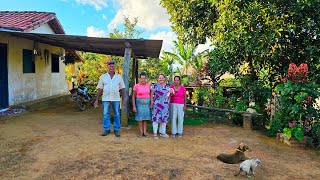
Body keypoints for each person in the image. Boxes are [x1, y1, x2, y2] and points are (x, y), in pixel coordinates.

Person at [94, 60, 125, 137]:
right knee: (105, 114)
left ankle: (116, 130)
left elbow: (122, 89)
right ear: (107, 67)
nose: (111, 67)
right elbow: (100, 89)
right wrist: (97, 99)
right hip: (105, 98)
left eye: (113, 66)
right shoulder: (103, 77)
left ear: (114, 67)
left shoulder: (119, 77)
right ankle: (107, 129)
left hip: (116, 99)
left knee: (117, 114)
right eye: (110, 66)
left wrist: (123, 99)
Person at [150, 74, 174, 139]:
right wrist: (152, 103)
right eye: (159, 78)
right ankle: (155, 134)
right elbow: (151, 95)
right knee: (156, 119)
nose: (161, 79)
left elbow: (170, 95)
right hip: (156, 105)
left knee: (164, 119)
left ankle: (162, 132)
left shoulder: (168, 87)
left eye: (162, 78)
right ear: (158, 79)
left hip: (165, 105)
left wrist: (171, 92)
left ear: (164, 79)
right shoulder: (155, 86)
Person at [132, 72, 151, 137]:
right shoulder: (136, 86)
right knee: (140, 118)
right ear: (139, 79)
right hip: (139, 104)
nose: (143, 80)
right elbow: (133, 96)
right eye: (142, 78)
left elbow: (150, 94)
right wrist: (134, 106)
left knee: (145, 118)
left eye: (144, 78)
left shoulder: (148, 85)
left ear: (146, 79)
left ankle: (145, 132)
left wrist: (151, 103)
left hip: (147, 105)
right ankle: (141, 132)